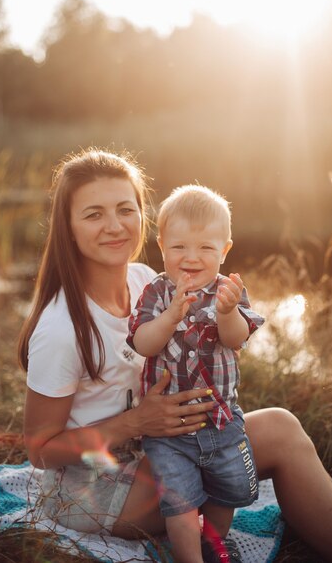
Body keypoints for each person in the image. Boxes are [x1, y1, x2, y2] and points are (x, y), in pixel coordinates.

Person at [18, 148, 332, 563]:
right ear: (66, 227)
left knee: (283, 429)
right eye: (93, 214)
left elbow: (208, 338)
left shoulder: (146, 281)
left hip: (161, 445)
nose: (115, 225)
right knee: (281, 433)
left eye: (126, 209)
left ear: (144, 217)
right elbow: (40, 450)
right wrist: (135, 422)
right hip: (94, 486)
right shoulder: (62, 327)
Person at [127, 184, 264, 563]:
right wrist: (170, 316)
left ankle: (214, 543)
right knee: (180, 503)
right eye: (179, 247)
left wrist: (227, 312)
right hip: (169, 432)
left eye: (205, 248)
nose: (191, 257)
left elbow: (235, 340)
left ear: (225, 250)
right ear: (161, 245)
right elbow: (143, 344)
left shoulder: (229, 292)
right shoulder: (155, 292)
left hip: (221, 422)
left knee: (227, 492)